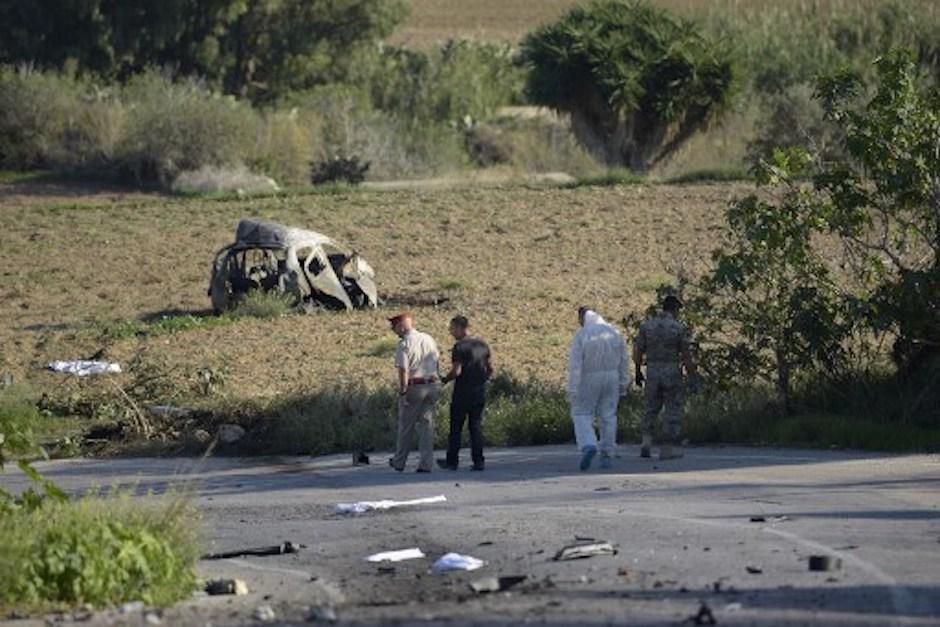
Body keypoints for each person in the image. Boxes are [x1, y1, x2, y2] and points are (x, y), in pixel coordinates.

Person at [633, 295, 697, 460]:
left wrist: (638, 370)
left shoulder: (647, 326)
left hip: (652, 371)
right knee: (672, 409)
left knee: (650, 407)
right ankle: (667, 448)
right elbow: (686, 355)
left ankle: (646, 442)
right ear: (675, 309)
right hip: (671, 371)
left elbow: (638, 351)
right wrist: (692, 376)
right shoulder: (678, 328)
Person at [567, 307, 630, 471]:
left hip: (589, 377)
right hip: (612, 377)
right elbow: (624, 359)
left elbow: (576, 365)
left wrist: (573, 388)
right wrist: (623, 384)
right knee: (608, 415)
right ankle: (607, 454)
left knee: (581, 413)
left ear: (583, 318)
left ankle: (588, 444)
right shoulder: (614, 332)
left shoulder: (583, 335)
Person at [387, 312, 441, 473]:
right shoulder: (428, 338)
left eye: (394, 326)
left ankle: (399, 461)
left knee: (406, 427)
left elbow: (404, 369)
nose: (393, 330)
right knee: (427, 426)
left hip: (415, 387)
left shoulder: (404, 344)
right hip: (432, 384)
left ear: (402, 326)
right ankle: (426, 463)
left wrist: (403, 392)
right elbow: (436, 360)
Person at [437, 315, 492, 471]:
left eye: (452, 328)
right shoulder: (482, 345)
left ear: (461, 328)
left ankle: (452, 461)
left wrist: (445, 380)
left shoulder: (459, 347)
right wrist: (482, 381)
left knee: (456, 427)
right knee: (475, 426)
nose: (451, 332)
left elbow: (457, 370)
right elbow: (490, 368)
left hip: (462, 392)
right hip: (479, 391)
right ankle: (478, 460)